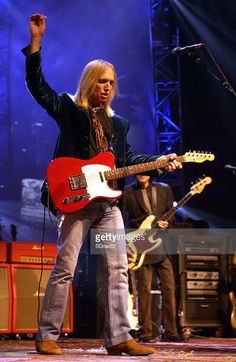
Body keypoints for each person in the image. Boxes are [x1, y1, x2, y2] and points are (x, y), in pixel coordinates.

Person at [22, 13, 182, 356]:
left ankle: (120, 336)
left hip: (108, 205)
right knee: (64, 267)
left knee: (117, 270)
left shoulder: (118, 124)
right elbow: (38, 88)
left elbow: (125, 161)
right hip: (77, 200)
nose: (107, 87)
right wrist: (36, 45)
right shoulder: (69, 108)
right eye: (101, 81)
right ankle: (47, 334)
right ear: (90, 82)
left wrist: (160, 163)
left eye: (111, 82)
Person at [122, 175, 183, 342]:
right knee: (143, 291)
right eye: (142, 170)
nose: (144, 174)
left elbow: (170, 214)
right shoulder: (127, 192)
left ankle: (171, 332)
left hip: (161, 247)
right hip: (140, 247)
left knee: (169, 288)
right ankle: (144, 332)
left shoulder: (163, 189)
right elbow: (121, 220)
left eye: (148, 171)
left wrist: (167, 223)